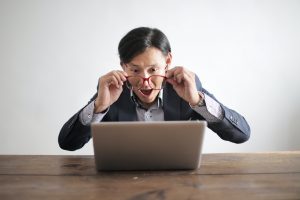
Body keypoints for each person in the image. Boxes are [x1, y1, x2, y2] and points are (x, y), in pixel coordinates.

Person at [58, 27, 251, 151]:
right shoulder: (112, 90)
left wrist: (197, 102)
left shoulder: (186, 87)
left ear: (167, 62)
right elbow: (67, 143)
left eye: (153, 69)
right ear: (123, 66)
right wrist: (99, 106)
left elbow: (241, 135)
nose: (145, 81)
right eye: (135, 70)